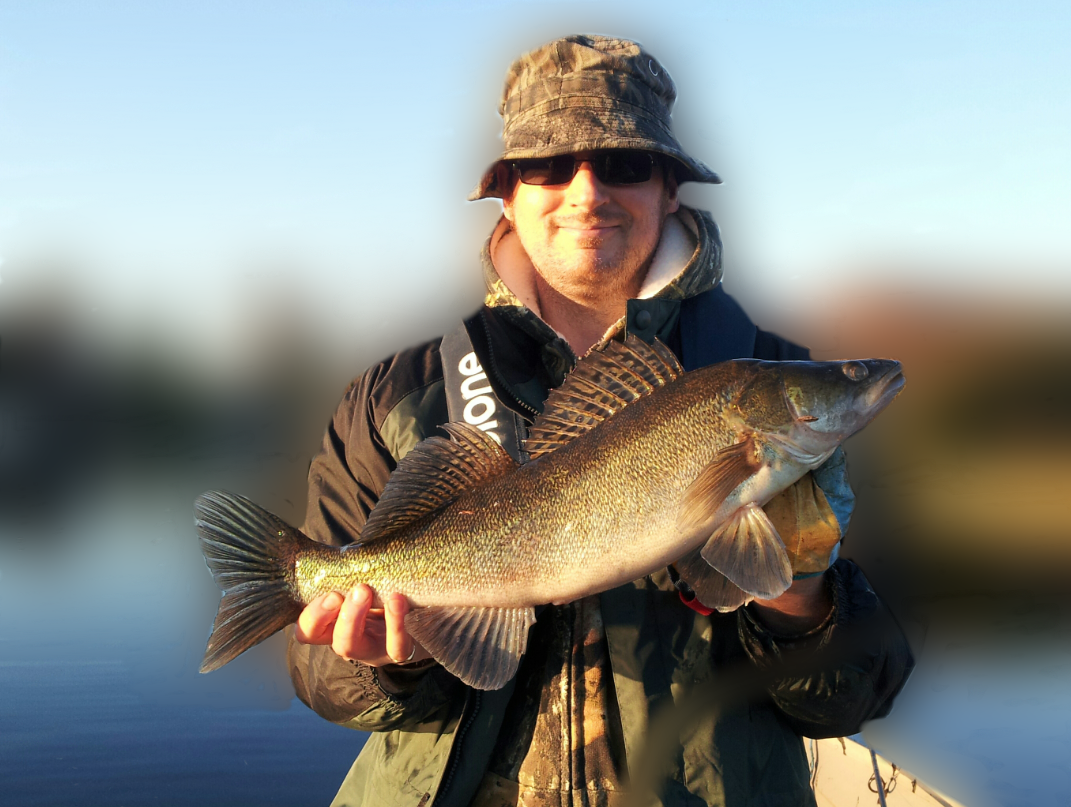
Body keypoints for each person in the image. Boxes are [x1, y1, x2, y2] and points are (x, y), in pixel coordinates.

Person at [286, 35, 913, 807]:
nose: (586, 192)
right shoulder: (397, 397)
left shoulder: (776, 379)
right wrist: (390, 661)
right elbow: (323, 679)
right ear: (505, 192)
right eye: (548, 166)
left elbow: (857, 694)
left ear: (670, 188)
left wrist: (800, 597)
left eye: (623, 163)